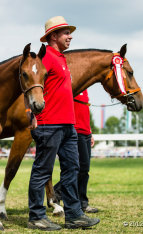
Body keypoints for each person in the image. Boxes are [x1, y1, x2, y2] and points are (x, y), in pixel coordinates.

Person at [27, 16, 100, 231]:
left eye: (70, 32)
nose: (70, 36)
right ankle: (36, 216)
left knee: (72, 169)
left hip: (69, 124)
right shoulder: (45, 57)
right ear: (53, 36)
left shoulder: (61, 58)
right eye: (66, 32)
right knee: (42, 170)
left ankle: (74, 215)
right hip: (49, 124)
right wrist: (30, 114)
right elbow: (30, 86)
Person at [53, 89, 99, 213]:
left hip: (85, 133)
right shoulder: (72, 87)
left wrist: (90, 132)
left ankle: (57, 192)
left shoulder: (85, 89)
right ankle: (81, 202)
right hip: (75, 132)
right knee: (78, 169)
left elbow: (84, 113)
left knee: (84, 170)